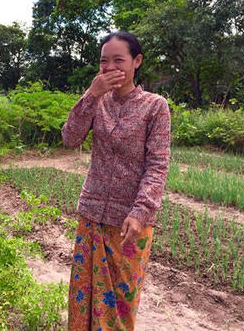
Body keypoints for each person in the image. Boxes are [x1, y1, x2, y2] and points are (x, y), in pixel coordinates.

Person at [62, 31, 171, 330]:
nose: (110, 68)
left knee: (120, 306)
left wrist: (140, 212)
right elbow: (70, 138)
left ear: (136, 62)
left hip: (128, 225)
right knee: (83, 300)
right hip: (92, 217)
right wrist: (91, 94)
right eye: (103, 62)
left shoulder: (155, 106)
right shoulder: (97, 101)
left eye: (118, 60)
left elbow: (158, 165)